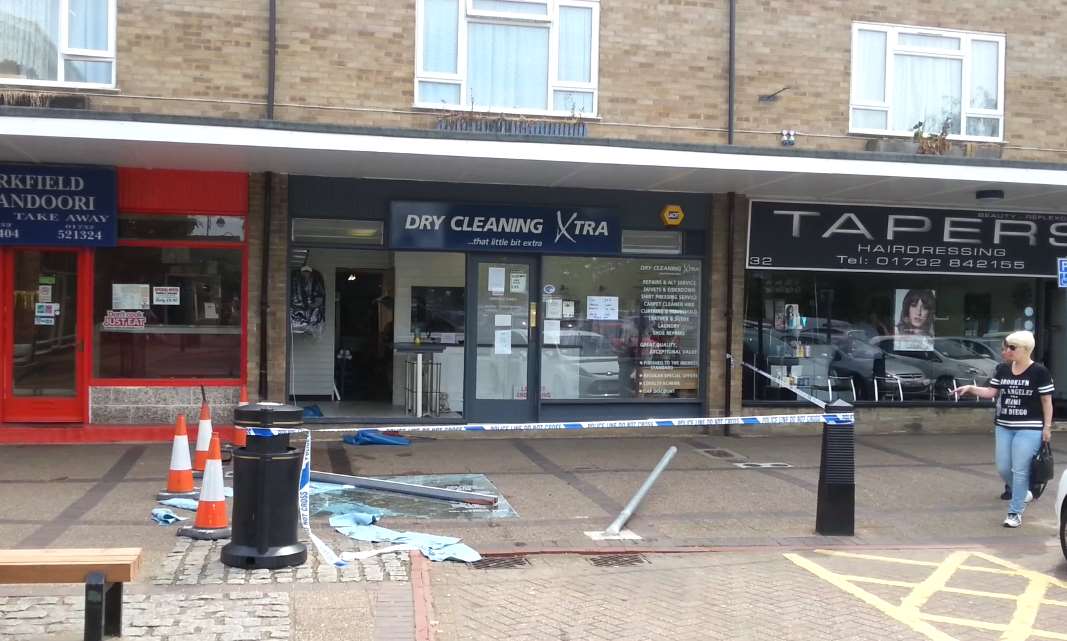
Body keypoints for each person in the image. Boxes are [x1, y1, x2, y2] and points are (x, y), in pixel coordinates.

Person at [953, 331, 1054, 528]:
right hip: (1004, 426)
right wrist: (971, 389)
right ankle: (1023, 492)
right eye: (1007, 347)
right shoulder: (1002, 370)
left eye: (1012, 348)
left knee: (1020, 469)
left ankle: (1015, 512)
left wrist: (1047, 428)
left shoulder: (1040, 372)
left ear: (1026, 350)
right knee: (1003, 467)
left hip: (1030, 427)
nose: (1007, 351)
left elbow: (1046, 402)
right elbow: (991, 392)